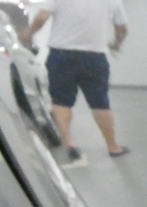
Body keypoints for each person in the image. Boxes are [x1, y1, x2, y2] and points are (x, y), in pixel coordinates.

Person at [20, 0, 129, 160]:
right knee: (100, 103)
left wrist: (30, 33)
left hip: (61, 55)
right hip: (94, 57)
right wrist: (116, 44)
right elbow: (122, 28)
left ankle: (69, 142)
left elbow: (41, 18)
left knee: (61, 102)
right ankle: (113, 147)